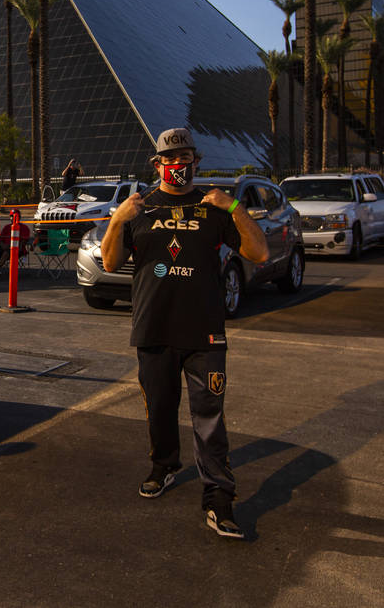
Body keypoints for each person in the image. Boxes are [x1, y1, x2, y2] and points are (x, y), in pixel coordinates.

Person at [101, 127, 268, 540]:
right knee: (159, 409)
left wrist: (235, 209)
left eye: (185, 156)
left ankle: (218, 497)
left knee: (210, 418)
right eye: (170, 158)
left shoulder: (214, 207)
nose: (178, 164)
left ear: (197, 160)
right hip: (153, 328)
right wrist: (118, 218)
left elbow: (259, 253)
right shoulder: (139, 208)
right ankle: (164, 465)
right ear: (157, 164)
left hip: (204, 333)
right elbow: (108, 262)